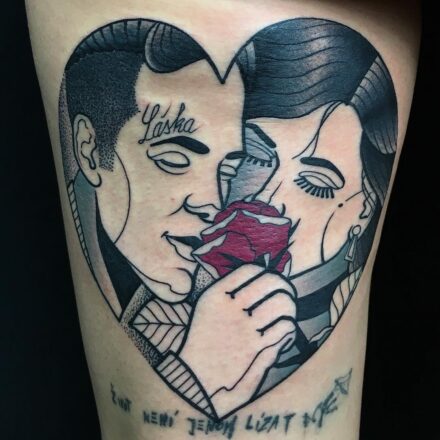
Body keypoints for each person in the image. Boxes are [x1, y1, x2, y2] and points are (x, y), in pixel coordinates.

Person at [26, 1, 420, 438]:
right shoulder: (182, 274)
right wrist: (198, 377)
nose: (264, 201)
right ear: (88, 148)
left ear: (362, 208)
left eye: (315, 183)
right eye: (256, 159)